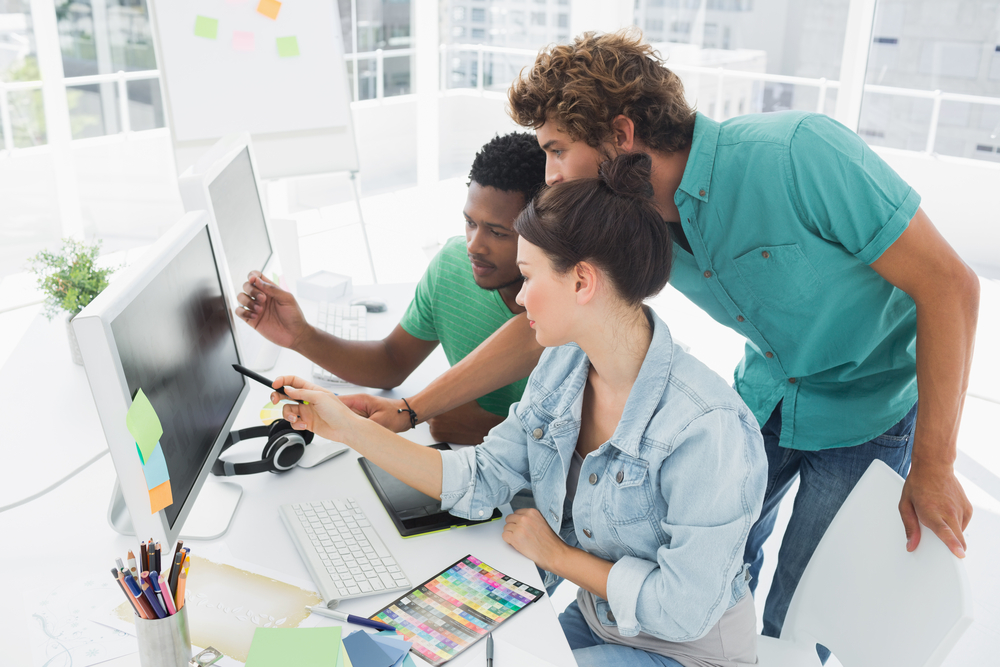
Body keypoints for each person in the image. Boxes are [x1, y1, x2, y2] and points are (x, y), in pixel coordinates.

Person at [339, 30, 980, 658]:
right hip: (769, 391)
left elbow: (950, 286)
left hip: (869, 404)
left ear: (621, 135)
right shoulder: (637, 214)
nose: (551, 177)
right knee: (720, 569)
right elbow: (550, 327)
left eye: (558, 150)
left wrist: (934, 464)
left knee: (799, 607)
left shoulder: (797, 155)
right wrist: (408, 410)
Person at [272, 153, 767, 667]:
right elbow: (482, 476)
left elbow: (684, 609)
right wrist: (350, 429)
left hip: (687, 652)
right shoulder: (563, 366)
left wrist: (558, 557)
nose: (522, 298)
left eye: (529, 278)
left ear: (581, 282)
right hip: (604, 618)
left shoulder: (707, 427)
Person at [235, 132, 545, 444]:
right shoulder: (452, 265)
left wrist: (489, 429)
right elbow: (391, 362)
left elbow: (583, 444)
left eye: (497, 233)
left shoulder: (567, 314)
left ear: (542, 230)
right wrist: (301, 336)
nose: (474, 246)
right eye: (470, 223)